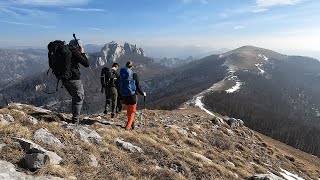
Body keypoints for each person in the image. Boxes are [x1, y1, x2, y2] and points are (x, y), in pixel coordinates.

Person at [62, 39, 89, 124]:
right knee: (79, 98)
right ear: (78, 46)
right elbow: (86, 64)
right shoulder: (74, 51)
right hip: (74, 79)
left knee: (75, 97)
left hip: (64, 79)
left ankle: (74, 119)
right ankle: (75, 122)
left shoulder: (64, 51)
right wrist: (82, 53)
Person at [120, 61, 146, 130]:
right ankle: (128, 127)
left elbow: (120, 85)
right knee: (132, 112)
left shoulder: (122, 75)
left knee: (128, 111)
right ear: (132, 67)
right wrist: (143, 93)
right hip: (132, 96)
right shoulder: (134, 75)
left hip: (124, 95)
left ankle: (132, 124)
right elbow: (137, 86)